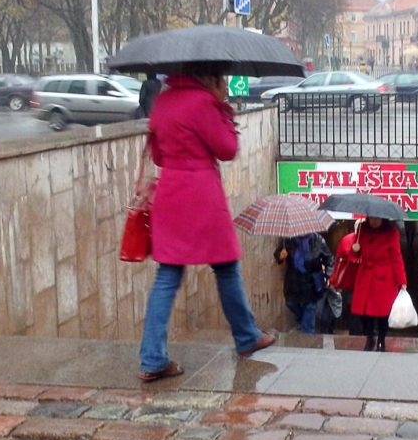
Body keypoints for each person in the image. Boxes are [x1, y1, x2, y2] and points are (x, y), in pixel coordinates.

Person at [137, 67, 276, 382]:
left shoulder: (164, 100)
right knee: (226, 267)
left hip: (170, 194)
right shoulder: (202, 103)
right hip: (200, 195)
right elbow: (227, 149)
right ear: (210, 78)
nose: (226, 85)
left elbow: (158, 155)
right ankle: (246, 336)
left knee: (167, 275)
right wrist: (223, 111)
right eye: (222, 80)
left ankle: (152, 357)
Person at [351, 217, 406, 351]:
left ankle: (381, 339)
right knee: (366, 312)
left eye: (377, 219)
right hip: (366, 276)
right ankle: (370, 338)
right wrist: (356, 250)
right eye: (372, 219)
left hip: (384, 278)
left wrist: (402, 281)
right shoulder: (361, 229)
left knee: (383, 313)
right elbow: (356, 254)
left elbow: (396, 258)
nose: (374, 221)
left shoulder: (392, 233)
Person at [274, 233, 333, 334]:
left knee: (310, 308)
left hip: (312, 281)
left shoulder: (318, 239)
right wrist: (280, 256)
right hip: (294, 281)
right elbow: (278, 255)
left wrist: (328, 275)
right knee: (291, 303)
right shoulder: (288, 240)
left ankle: (307, 339)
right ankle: (303, 322)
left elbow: (329, 259)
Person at [332, 221, 364, 335]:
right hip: (350, 284)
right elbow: (342, 258)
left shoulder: (373, 241)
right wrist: (354, 252)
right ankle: (356, 336)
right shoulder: (347, 240)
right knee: (353, 313)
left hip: (366, 285)